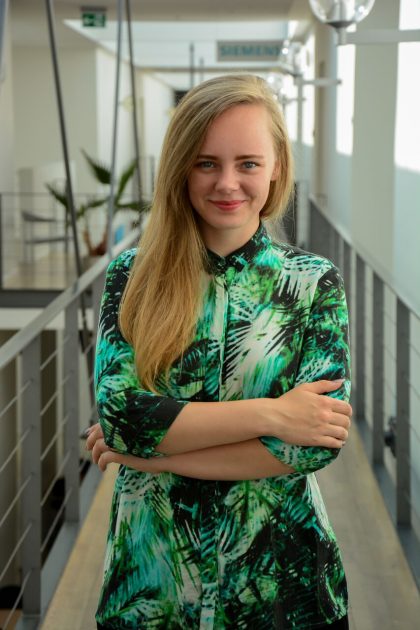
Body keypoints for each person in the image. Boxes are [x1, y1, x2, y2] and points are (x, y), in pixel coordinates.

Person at [86, 73, 352, 630]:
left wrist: (147, 457)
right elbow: (122, 417)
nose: (227, 183)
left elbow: (312, 447)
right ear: (181, 168)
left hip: (283, 585)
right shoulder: (131, 277)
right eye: (206, 163)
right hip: (154, 584)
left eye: (247, 163)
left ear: (276, 166)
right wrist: (274, 414)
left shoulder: (313, 282)